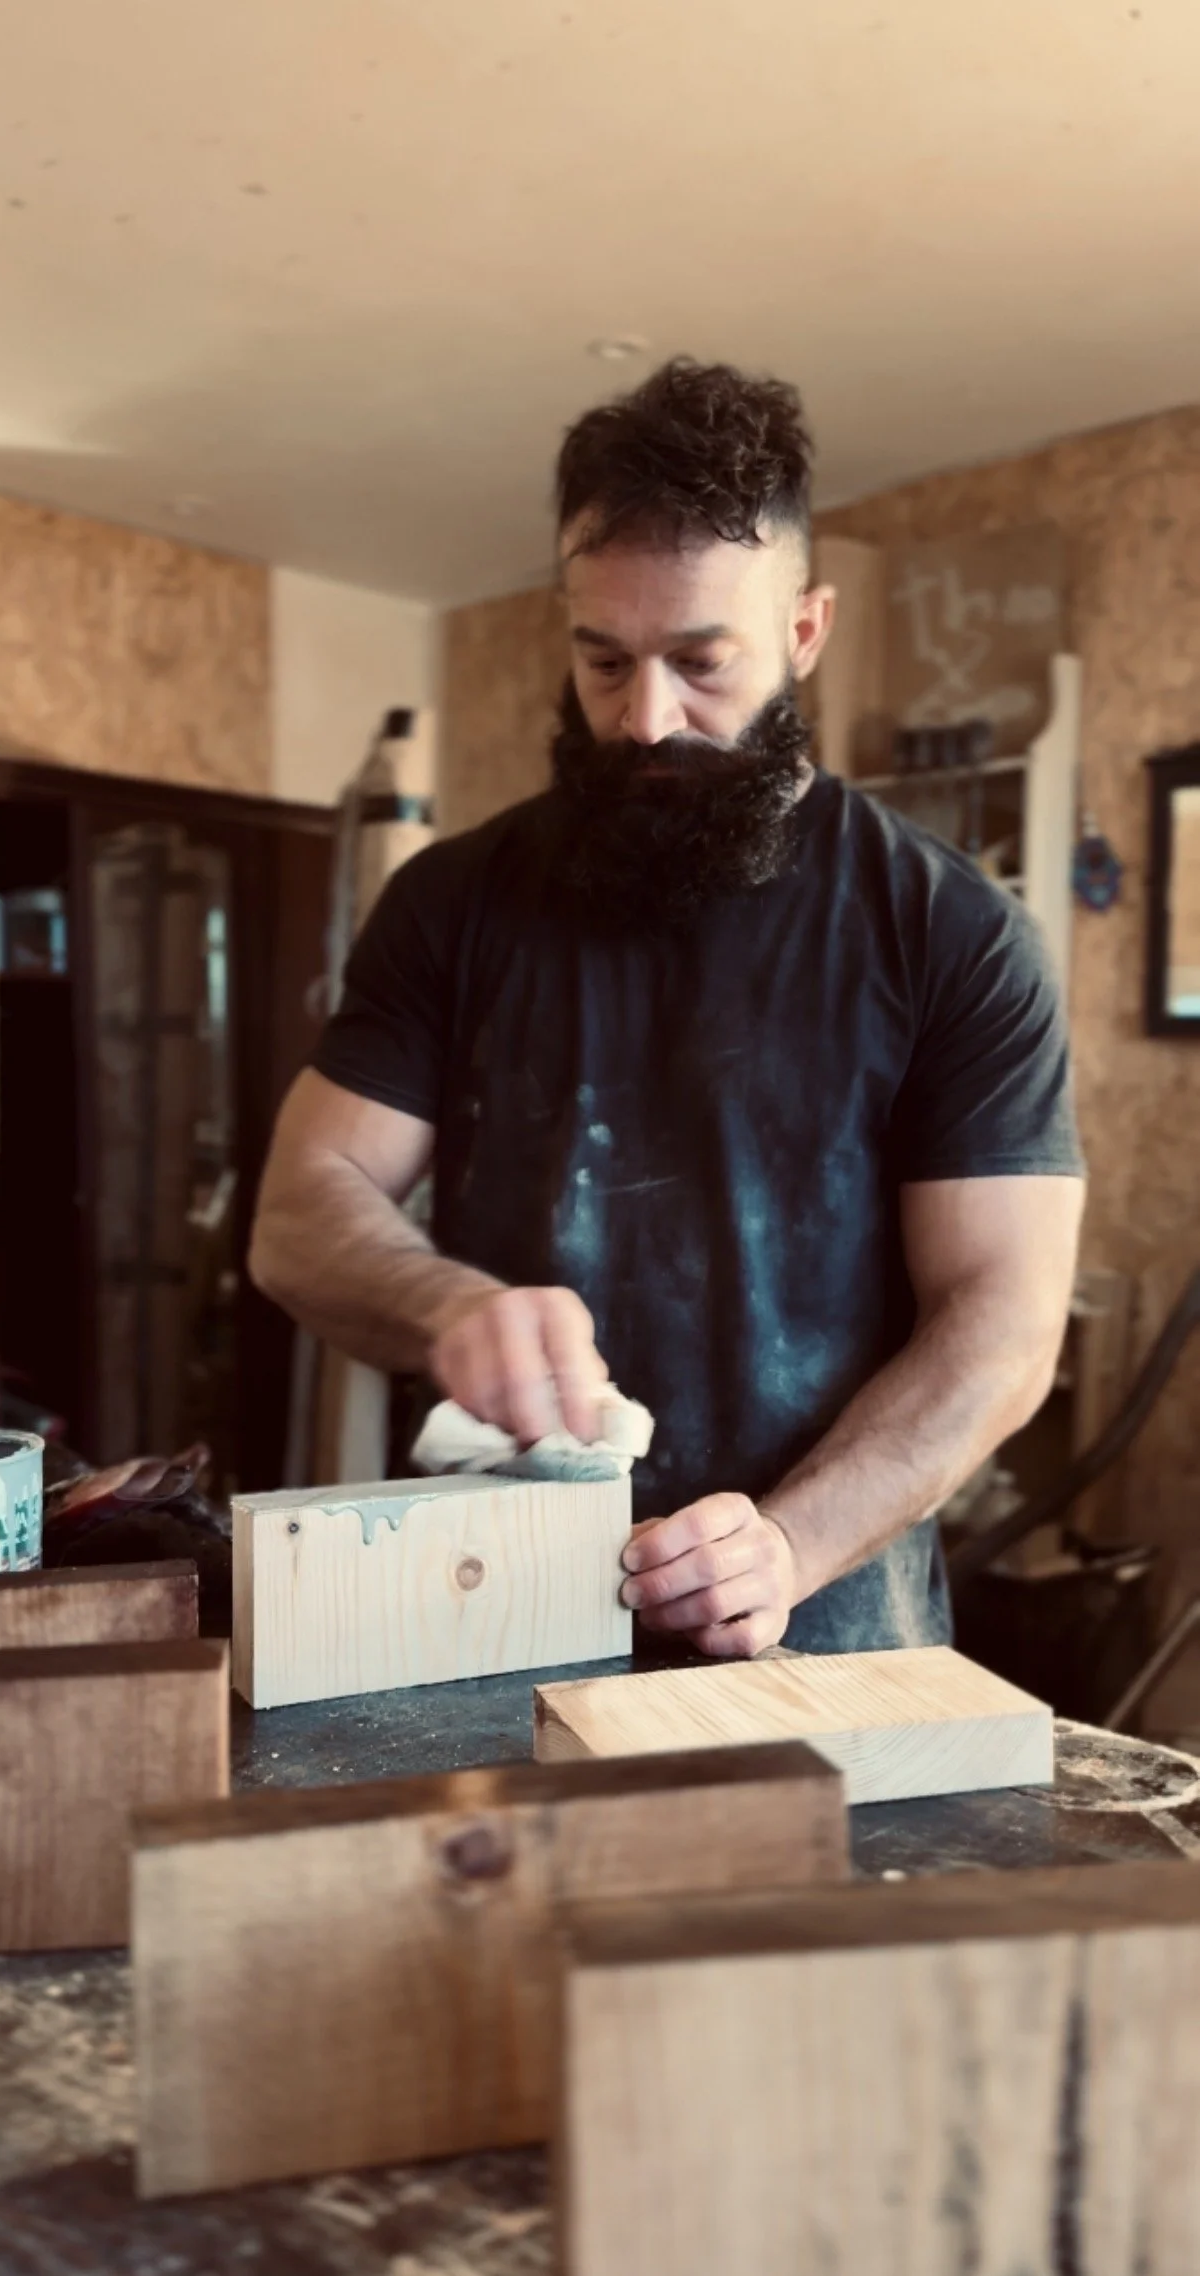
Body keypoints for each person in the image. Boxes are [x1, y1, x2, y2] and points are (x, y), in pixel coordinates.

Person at [250, 357, 1085, 1659]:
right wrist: (442, 1304)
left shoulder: (949, 931)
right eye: (602, 660)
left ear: (802, 632)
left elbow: (1004, 1321)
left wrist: (790, 1543)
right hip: (497, 1609)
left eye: (700, 661)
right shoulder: (452, 903)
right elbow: (300, 1211)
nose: (643, 721)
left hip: (821, 1621)